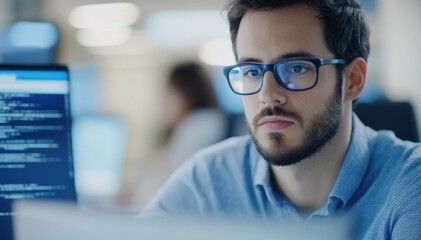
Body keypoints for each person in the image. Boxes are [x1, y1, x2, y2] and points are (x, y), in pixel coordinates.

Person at [141, 0, 421, 239]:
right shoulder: (208, 180)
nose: (268, 95)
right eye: (251, 71)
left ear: (353, 80)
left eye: (296, 68)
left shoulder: (409, 185)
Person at [133, 61, 226, 205]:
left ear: (185, 93)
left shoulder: (198, 125)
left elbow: (166, 185)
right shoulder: (205, 121)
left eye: (169, 93)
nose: (164, 103)